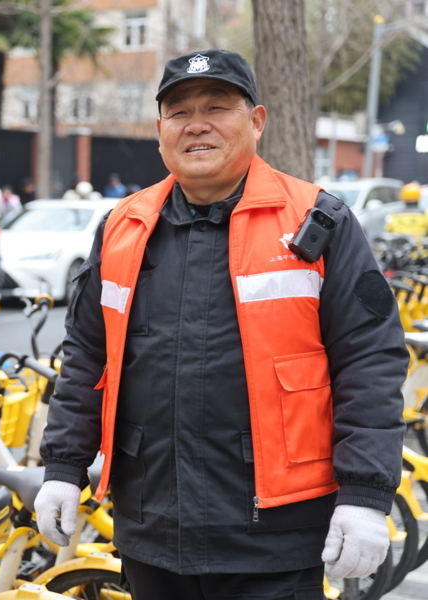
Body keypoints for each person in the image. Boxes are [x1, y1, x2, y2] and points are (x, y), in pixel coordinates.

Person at [35, 49, 407, 599]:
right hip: (151, 529)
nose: (197, 124)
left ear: (256, 121)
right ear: (160, 131)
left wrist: (365, 495)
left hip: (276, 537)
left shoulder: (317, 221)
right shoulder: (123, 226)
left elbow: (369, 361)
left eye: (216, 107)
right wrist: (63, 467)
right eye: (179, 112)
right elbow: (88, 356)